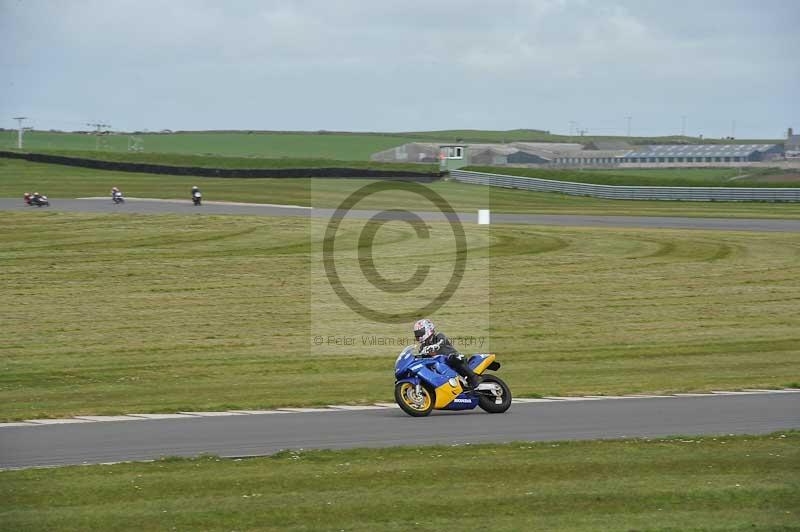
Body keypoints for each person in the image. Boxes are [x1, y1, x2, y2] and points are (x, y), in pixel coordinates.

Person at [413, 319, 481, 389]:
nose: (418, 336)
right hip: (442, 366)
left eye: (420, 333)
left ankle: (474, 377)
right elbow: (422, 357)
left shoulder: (438, 336)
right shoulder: (422, 347)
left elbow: (441, 341)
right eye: (417, 334)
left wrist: (434, 346)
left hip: (455, 360)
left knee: (453, 357)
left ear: (428, 329)